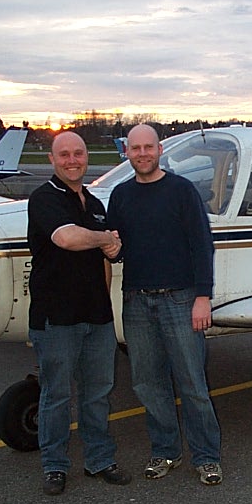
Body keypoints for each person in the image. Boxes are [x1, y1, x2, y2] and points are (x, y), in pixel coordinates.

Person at [107, 124, 223, 485]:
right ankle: (165, 451)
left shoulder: (182, 191)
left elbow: (202, 245)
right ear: (127, 151)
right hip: (137, 302)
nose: (142, 153)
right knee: (147, 383)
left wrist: (202, 297)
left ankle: (206, 457)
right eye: (135, 148)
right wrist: (112, 249)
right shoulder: (121, 196)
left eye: (149, 147)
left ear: (160, 150)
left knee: (192, 383)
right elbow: (119, 246)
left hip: (181, 298)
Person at [27, 131, 131, 495]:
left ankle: (99, 459)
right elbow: (67, 239)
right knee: (56, 394)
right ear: (52, 161)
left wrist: (108, 254)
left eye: (79, 154)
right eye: (64, 154)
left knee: (98, 392)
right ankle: (54, 465)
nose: (73, 160)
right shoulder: (43, 199)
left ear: (86, 158)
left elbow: (108, 258)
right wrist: (105, 238)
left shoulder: (95, 203)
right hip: (57, 318)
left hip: (97, 316)